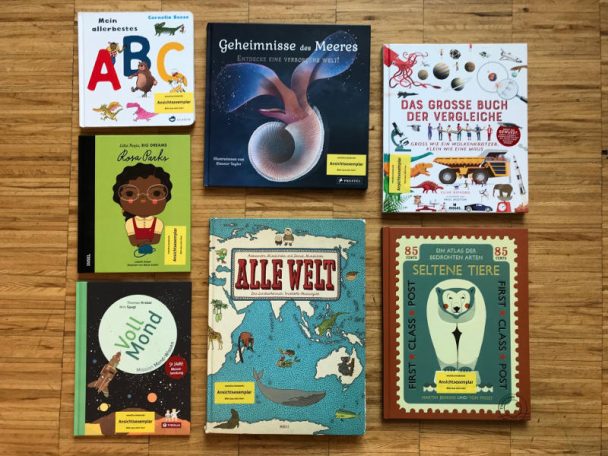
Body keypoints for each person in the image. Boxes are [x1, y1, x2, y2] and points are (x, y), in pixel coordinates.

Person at [112, 163, 173, 248]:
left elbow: (156, 240)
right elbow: (133, 242)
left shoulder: (158, 223)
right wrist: (147, 241)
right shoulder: (130, 223)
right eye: (130, 193)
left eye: (156, 193)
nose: (143, 200)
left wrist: (141, 242)